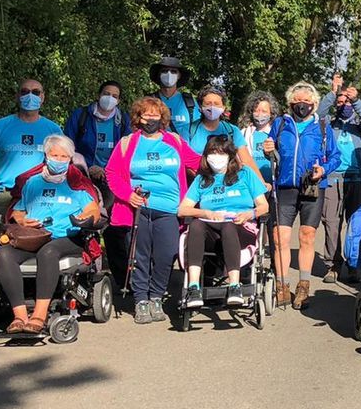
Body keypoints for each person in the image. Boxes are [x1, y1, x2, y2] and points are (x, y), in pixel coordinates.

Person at [106, 96, 201, 324]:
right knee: (139, 256)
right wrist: (127, 194)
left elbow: (199, 165)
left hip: (169, 208)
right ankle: (140, 300)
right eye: (145, 114)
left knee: (165, 255)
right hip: (137, 209)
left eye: (154, 114)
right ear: (138, 118)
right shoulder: (128, 143)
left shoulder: (175, 142)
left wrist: (226, 166)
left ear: (162, 117)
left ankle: (157, 297)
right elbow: (111, 173)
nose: (150, 118)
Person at [0, 135, 102, 333]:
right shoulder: (32, 183)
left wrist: (84, 217)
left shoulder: (76, 183)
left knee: (48, 251)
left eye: (64, 156)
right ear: (46, 156)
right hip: (35, 236)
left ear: (70, 159)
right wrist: (21, 220)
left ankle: (39, 314)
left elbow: (93, 210)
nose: (59, 159)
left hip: (67, 237)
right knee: (4, 254)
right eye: (55, 155)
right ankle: (19, 316)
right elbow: (18, 210)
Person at [268, 81, 340, 310]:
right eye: (297, 102)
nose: (302, 106)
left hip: (312, 186)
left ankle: (303, 286)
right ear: (290, 103)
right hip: (285, 186)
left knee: (307, 236)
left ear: (315, 104)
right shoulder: (280, 124)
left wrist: (324, 170)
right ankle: (282, 285)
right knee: (280, 238)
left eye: (307, 102)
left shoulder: (322, 126)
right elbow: (271, 151)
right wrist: (267, 149)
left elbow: (336, 156)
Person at [178, 136, 270, 308]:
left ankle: (234, 285)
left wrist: (249, 214)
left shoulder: (245, 174)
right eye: (212, 153)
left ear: (230, 156)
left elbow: (264, 206)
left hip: (240, 227)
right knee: (196, 225)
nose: (216, 157)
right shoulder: (202, 180)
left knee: (229, 225)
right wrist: (205, 212)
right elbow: (183, 209)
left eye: (221, 153)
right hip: (211, 230)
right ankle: (193, 287)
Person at [63, 80, 133, 285]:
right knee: (84, 222)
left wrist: (109, 171)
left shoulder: (122, 120)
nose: (110, 98)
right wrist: (88, 166)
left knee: (114, 228)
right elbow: (67, 144)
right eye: (106, 93)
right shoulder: (81, 115)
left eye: (115, 95)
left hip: (112, 176)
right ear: (98, 94)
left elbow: (127, 150)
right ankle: (81, 270)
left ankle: (122, 280)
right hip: (82, 175)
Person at [0, 78, 64, 227]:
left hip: (36, 197)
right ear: (17, 96)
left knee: (31, 245)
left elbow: (61, 165)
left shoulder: (53, 130)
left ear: (42, 97)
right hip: (3, 197)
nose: (30, 96)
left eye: (36, 92)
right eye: (25, 91)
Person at [317, 74, 361, 283]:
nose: (344, 105)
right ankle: (333, 265)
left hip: (357, 178)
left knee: (356, 223)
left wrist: (356, 100)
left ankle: (353, 264)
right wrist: (334, 92)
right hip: (333, 178)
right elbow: (319, 113)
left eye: (346, 102)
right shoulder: (329, 126)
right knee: (331, 223)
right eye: (340, 103)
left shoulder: (360, 128)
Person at [186, 86, 264, 179]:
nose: (212, 107)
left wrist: (261, 183)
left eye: (216, 104)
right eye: (208, 103)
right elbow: (183, 161)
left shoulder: (232, 131)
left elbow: (247, 161)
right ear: (200, 106)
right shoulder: (189, 129)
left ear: (223, 107)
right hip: (198, 183)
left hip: (227, 184)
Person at [240, 90, 280, 187]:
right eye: (256, 110)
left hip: (273, 184)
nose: (260, 114)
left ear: (271, 113)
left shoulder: (277, 133)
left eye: (264, 111)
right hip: (250, 184)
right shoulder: (244, 133)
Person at [150, 56, 198, 137]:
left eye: (173, 71)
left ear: (179, 75)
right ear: (159, 74)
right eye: (164, 71)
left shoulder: (190, 102)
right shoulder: (149, 101)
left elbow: (198, 129)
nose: (169, 74)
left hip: (183, 149)